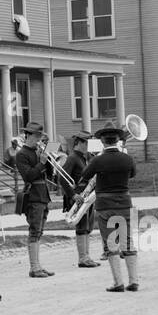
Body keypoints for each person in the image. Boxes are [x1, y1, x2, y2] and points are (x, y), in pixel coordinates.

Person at [82, 122, 139, 292]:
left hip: (105, 205)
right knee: (127, 241)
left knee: (111, 243)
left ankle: (118, 283)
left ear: (103, 142)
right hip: (124, 203)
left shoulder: (98, 160)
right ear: (117, 140)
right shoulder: (127, 159)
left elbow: (85, 175)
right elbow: (133, 174)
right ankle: (134, 280)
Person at [14, 122, 55, 278]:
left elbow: (50, 175)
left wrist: (49, 159)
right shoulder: (22, 154)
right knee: (34, 231)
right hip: (33, 196)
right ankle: (34, 267)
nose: (39, 139)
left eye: (40, 136)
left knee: (39, 231)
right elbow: (29, 175)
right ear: (28, 135)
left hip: (43, 194)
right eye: (37, 136)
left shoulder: (39, 152)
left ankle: (38, 265)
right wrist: (41, 162)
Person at [60, 133, 100, 268]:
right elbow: (62, 178)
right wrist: (72, 195)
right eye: (86, 143)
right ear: (79, 142)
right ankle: (83, 258)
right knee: (82, 227)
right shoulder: (73, 158)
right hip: (79, 196)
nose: (88, 146)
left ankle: (87, 256)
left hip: (87, 195)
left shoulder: (84, 158)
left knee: (87, 227)